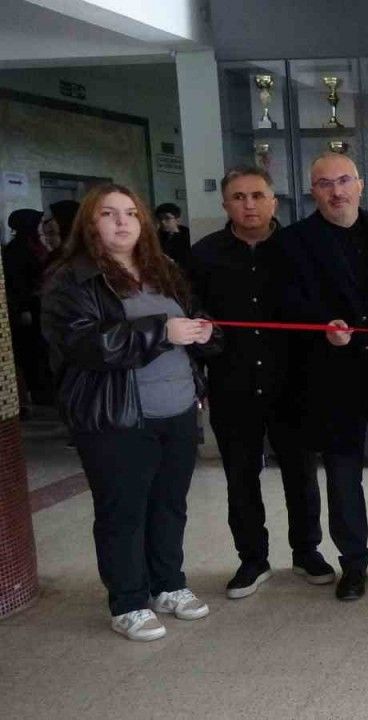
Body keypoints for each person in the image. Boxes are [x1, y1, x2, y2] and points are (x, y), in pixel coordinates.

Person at [41, 184, 221, 641]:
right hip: (116, 417)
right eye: (108, 214)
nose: (122, 222)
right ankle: (128, 602)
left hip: (177, 409)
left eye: (131, 213)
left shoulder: (164, 270)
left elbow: (191, 319)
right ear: (89, 223)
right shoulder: (70, 278)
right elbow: (85, 345)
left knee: (169, 505)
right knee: (123, 511)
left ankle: (169, 585)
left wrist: (204, 331)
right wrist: (161, 331)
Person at [277, 153, 368, 601]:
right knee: (342, 477)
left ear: (361, 185)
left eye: (344, 181)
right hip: (330, 379)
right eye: (325, 184)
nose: (336, 191)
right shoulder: (292, 243)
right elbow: (286, 306)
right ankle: (354, 562)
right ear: (313, 191)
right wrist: (321, 327)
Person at [190, 166, 332, 599]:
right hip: (232, 382)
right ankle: (252, 558)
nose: (248, 205)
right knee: (241, 475)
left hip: (293, 381)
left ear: (274, 201)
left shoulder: (299, 248)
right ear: (225, 204)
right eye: (238, 197)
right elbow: (192, 315)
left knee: (301, 473)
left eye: (257, 195)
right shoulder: (204, 255)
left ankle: (307, 551)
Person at [4, 208, 53, 411]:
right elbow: (16, 283)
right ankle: (39, 392)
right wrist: (23, 308)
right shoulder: (15, 250)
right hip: (28, 308)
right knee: (32, 350)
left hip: (39, 305)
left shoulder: (35, 245)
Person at [155, 202, 193, 276]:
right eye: (160, 218)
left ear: (177, 220)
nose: (162, 222)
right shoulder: (155, 236)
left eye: (167, 218)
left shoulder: (189, 236)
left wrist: (175, 263)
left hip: (184, 275)